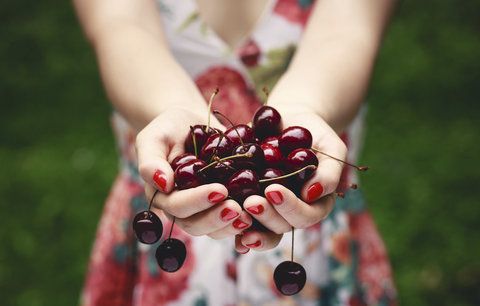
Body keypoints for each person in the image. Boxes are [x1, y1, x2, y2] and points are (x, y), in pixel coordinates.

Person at [74, 0, 398, 305]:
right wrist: (172, 107)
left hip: (310, 236)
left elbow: (346, 30)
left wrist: (305, 107)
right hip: (162, 220)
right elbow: (122, 27)